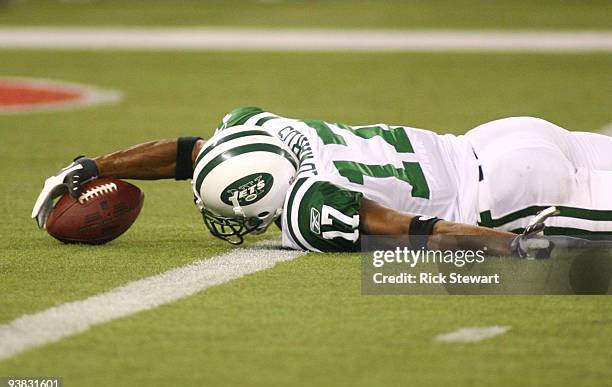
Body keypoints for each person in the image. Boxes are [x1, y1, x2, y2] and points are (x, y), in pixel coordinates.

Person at [32, 107, 612, 257]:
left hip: (511, 194)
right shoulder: (263, 128)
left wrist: (511, 245)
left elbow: (417, 231)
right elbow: (188, 152)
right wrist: (95, 166)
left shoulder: (307, 205)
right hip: (497, 138)